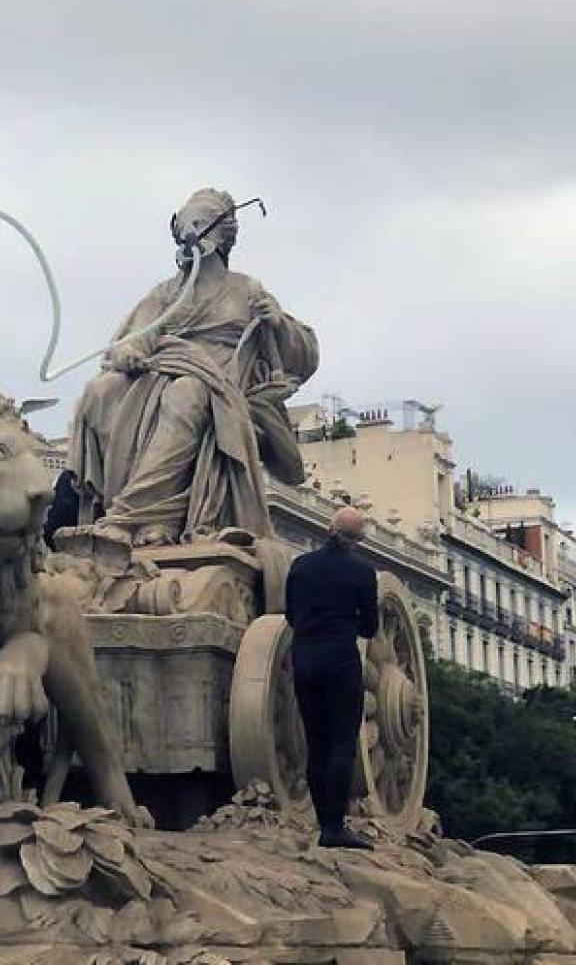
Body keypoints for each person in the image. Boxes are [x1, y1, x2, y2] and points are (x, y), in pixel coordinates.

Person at [68, 186, 319, 546]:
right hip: (162, 370)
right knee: (99, 390)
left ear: (219, 235)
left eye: (195, 228)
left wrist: (278, 323)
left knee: (186, 393)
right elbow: (137, 334)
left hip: (221, 382)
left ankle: (137, 514)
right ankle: (114, 510)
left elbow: (303, 354)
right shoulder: (167, 292)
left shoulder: (247, 289)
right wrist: (130, 353)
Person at [284, 506, 379, 850]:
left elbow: (292, 614)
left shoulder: (301, 566)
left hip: (305, 659)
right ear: (358, 540)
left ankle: (323, 821)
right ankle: (334, 827)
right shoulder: (362, 572)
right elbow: (370, 627)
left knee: (316, 743)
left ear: (329, 528)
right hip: (340, 661)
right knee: (341, 744)